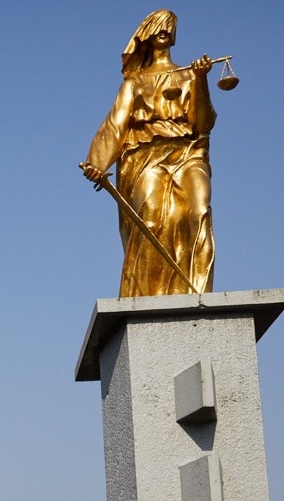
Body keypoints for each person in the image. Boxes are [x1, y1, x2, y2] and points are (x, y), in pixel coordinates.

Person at [81, 9, 218, 297]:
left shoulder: (190, 76)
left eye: (170, 25)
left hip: (188, 152)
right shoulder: (134, 83)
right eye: (158, 25)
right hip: (145, 156)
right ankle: (145, 296)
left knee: (199, 211)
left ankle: (196, 292)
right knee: (151, 218)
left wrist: (202, 79)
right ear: (146, 33)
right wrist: (97, 162)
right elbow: (115, 126)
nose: (164, 29)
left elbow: (203, 125)